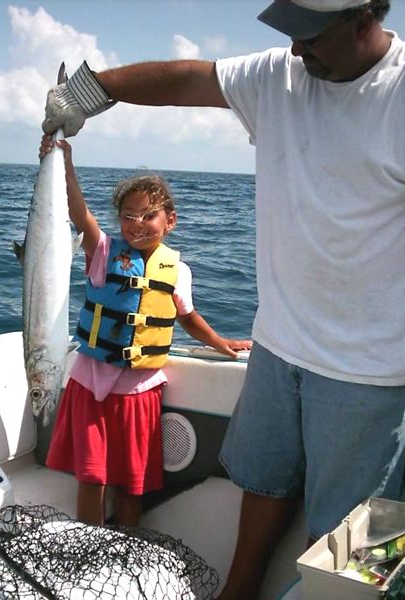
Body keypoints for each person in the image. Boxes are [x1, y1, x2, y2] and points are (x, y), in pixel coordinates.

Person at [42, 1, 405, 597]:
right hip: (276, 348)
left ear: (363, 17)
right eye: (289, 33)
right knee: (262, 484)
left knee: (355, 541)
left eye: (309, 34)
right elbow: (190, 80)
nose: (295, 49)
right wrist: (93, 90)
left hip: (369, 373)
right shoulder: (280, 75)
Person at [41, 134, 252, 529]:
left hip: (140, 390)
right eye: (128, 216)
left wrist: (221, 343)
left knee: (132, 484)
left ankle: (125, 543)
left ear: (170, 220)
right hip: (90, 385)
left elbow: (188, 318)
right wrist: (63, 165)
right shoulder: (103, 252)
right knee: (92, 478)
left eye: (148, 215)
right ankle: (89, 545)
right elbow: (79, 213)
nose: (137, 224)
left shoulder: (178, 270)